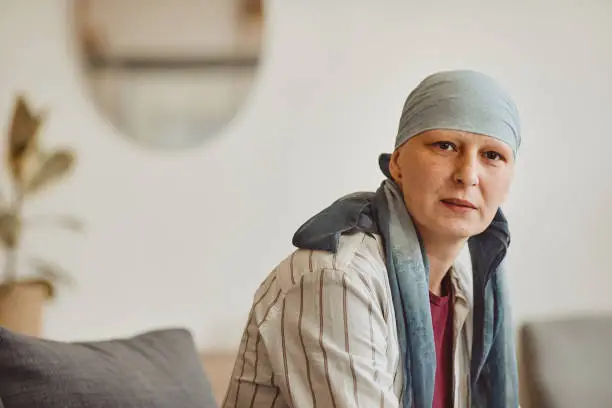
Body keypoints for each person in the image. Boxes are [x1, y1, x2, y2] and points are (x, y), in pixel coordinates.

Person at [222, 70, 521, 408]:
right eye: (445, 146)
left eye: (492, 155)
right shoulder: (336, 278)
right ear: (397, 163)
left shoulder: (466, 292)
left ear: (508, 182)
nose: (467, 175)